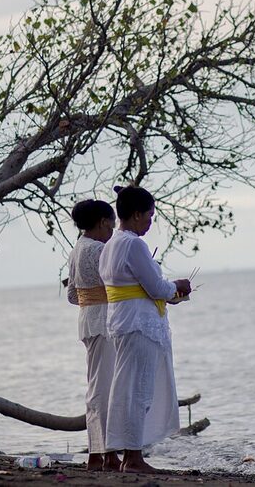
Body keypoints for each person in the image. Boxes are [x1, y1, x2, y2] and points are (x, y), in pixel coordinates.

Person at [99, 185, 192, 473]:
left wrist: (166, 292)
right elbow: (156, 287)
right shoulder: (133, 244)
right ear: (137, 215)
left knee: (123, 389)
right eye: (150, 216)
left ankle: (121, 453)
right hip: (140, 324)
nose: (151, 222)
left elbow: (132, 286)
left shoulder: (110, 245)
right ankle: (134, 457)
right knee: (139, 390)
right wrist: (176, 287)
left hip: (122, 321)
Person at [66, 199, 122, 472]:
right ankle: (105, 453)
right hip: (104, 321)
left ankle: (99, 453)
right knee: (105, 389)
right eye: (111, 224)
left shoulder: (76, 249)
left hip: (88, 320)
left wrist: (92, 298)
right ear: (102, 222)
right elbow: (119, 282)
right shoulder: (100, 249)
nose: (112, 230)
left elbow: (71, 295)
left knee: (96, 386)